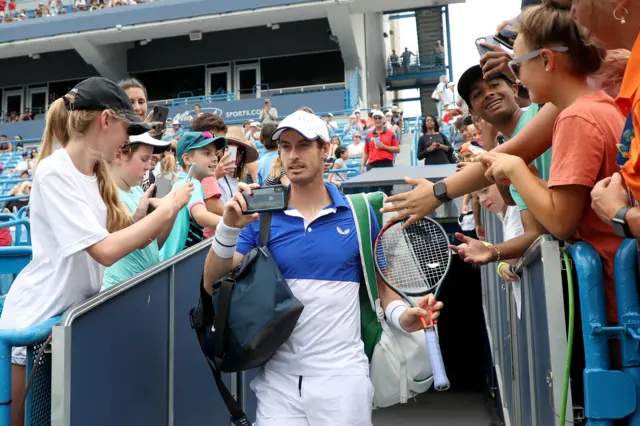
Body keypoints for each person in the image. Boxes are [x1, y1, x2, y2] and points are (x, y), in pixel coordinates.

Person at [203, 110, 443, 425]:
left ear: (324, 150)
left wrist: (403, 317)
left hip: (343, 379)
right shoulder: (261, 216)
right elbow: (212, 282)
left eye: (303, 145)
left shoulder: (357, 214)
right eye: (285, 147)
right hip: (278, 382)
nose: (293, 155)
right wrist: (228, 228)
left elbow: (383, 289)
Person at [0, 77, 193, 426]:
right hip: (37, 319)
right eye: (125, 127)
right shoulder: (54, 170)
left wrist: (139, 216)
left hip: (69, 322)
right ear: (105, 120)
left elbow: (106, 236)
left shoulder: (94, 171)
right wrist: (171, 206)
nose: (126, 139)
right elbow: (103, 251)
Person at [473, 2, 624, 324]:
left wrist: (515, 169)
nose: (518, 79)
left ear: (545, 59)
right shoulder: (600, 106)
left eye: (516, 67)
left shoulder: (577, 117)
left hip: (613, 300)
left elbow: (560, 221)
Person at [102, 132, 173, 290]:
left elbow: (154, 244)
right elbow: (138, 241)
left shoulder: (138, 191)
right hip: (119, 290)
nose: (149, 166)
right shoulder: (107, 194)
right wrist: (169, 208)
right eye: (144, 159)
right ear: (119, 155)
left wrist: (172, 210)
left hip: (142, 286)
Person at [160, 132, 227, 260]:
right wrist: (234, 225)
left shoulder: (181, 182)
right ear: (187, 159)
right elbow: (200, 215)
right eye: (207, 153)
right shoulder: (191, 183)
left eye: (215, 153)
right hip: (174, 267)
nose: (215, 158)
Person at [361, 110, 400, 195]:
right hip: (372, 164)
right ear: (373, 120)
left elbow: (397, 149)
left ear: (383, 120)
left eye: (379, 118)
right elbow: (366, 151)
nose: (377, 120)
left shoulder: (390, 133)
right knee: (372, 191)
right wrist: (363, 165)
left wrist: (384, 147)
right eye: (375, 118)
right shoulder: (369, 135)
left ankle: (389, 207)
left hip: (386, 163)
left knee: (387, 191)